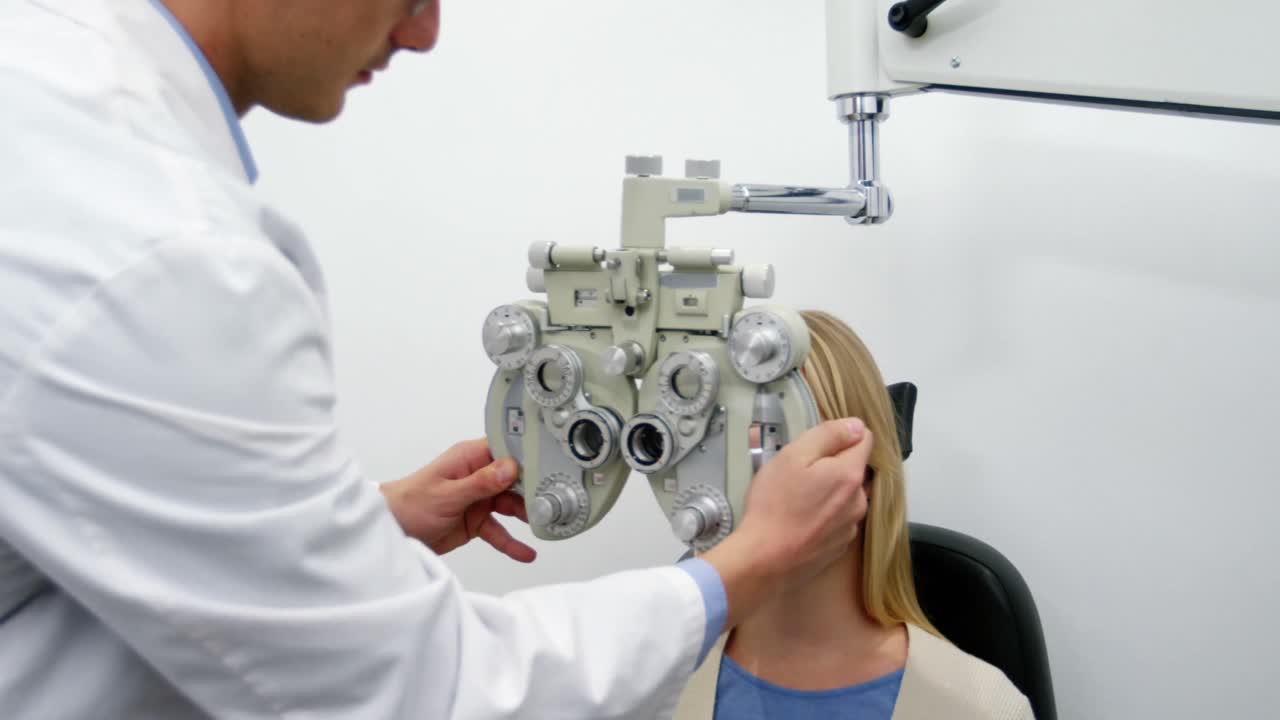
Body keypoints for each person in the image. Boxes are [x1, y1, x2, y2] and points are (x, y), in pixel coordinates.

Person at [0, 1, 876, 718]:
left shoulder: (49, 110)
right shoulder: (161, 252)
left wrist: (361, 525)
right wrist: (744, 566)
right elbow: (430, 691)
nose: (425, 33)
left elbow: (102, 541)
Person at [672, 311, 1033, 719]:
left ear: (865, 473)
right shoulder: (654, 685)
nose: (755, 478)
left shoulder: (983, 707)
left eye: (776, 441)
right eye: (723, 437)